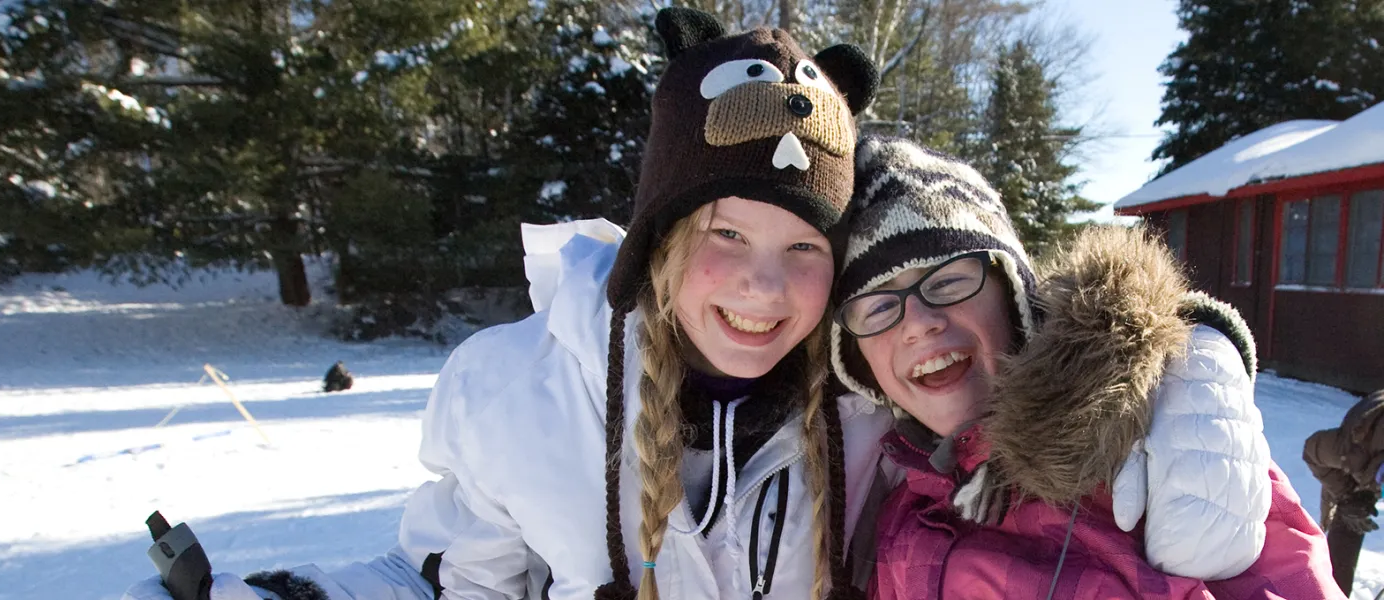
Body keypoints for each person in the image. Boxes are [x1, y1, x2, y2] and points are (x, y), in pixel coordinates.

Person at [124, 11, 1273, 600]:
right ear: (661, 244)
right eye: (724, 235)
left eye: (800, 248)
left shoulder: (875, 419)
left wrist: (1191, 359)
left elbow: (1001, 313)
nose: (763, 286)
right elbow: (457, 580)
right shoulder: (522, 393)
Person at [829, 135, 1341, 599]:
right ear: (858, 362)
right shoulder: (897, 510)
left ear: (1014, 295)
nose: (917, 324)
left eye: (947, 282)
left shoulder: (1157, 441)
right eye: (876, 308)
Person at [1304, 388, 1384, 593]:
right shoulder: (1351, 448)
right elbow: (1311, 450)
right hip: (1359, 453)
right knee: (1350, 516)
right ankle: (1330, 593)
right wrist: (1346, 497)